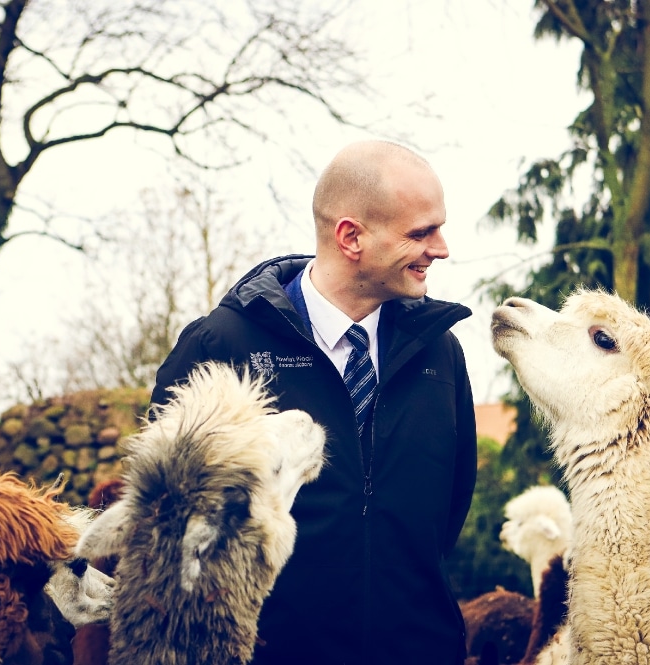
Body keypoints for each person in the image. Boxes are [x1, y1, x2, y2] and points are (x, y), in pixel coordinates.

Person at [150, 140, 478, 665]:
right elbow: (165, 525)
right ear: (351, 237)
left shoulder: (441, 354)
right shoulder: (220, 348)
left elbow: (450, 511)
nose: (440, 249)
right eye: (420, 233)